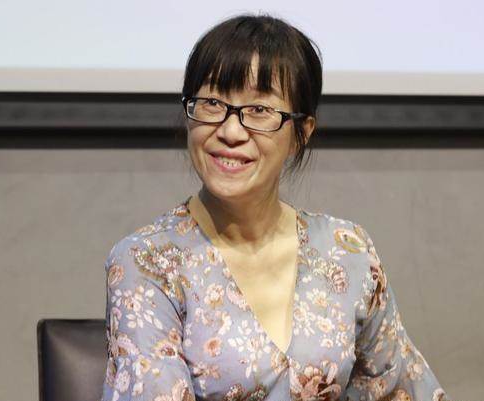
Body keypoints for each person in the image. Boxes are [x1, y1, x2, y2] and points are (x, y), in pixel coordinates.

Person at [101, 13, 450, 401]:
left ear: (301, 133)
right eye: (212, 103)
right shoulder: (146, 261)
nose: (230, 131)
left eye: (259, 110)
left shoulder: (346, 251)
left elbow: (402, 389)